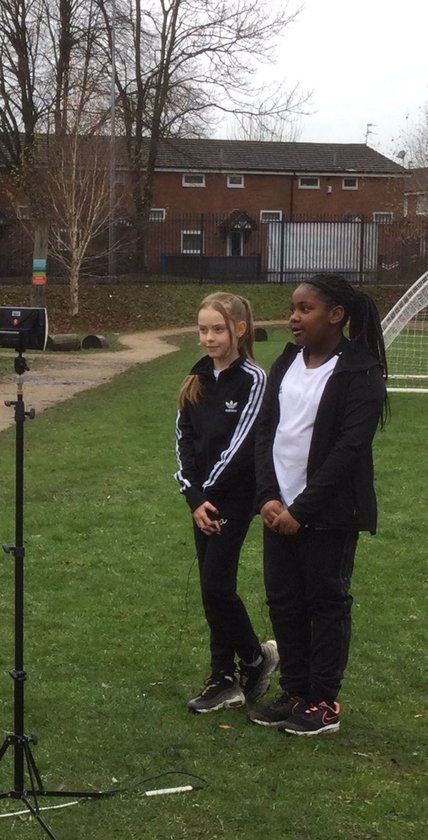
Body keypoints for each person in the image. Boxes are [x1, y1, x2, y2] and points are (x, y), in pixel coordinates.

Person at [249, 273, 388, 736]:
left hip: (327, 515)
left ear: (336, 315)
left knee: (325, 603)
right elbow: (265, 430)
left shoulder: (360, 372)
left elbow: (349, 451)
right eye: (292, 308)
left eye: (305, 309)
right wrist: (268, 497)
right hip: (277, 509)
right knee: (284, 602)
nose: (293, 317)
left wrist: (301, 511)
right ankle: (295, 691)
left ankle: (323, 702)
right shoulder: (287, 360)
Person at [174, 292, 279, 714]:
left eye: (217, 329)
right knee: (210, 587)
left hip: (234, 499)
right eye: (202, 329)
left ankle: (256, 659)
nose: (209, 337)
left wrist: (208, 496)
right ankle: (224, 677)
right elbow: (183, 439)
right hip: (202, 502)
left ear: (239, 329)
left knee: (217, 584)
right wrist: (193, 497)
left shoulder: (254, 379)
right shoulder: (196, 377)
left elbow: (240, 448)